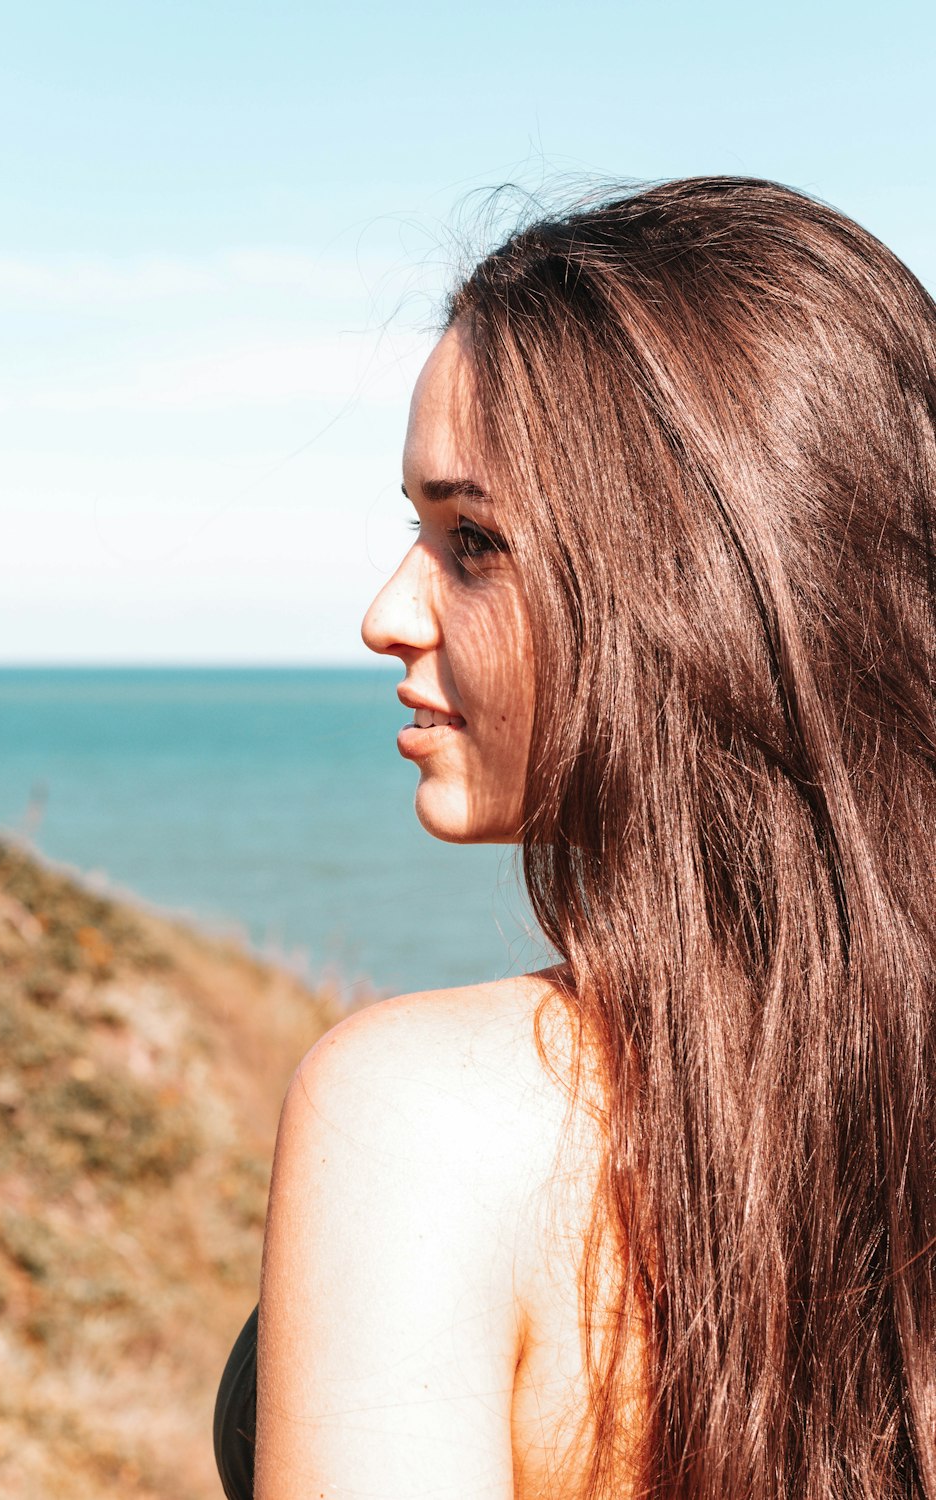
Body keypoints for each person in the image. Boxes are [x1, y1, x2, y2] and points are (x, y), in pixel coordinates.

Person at [214, 176, 936, 1499]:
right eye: (416, 531)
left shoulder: (425, 1119)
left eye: (472, 541)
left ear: (696, 590)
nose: (388, 612)